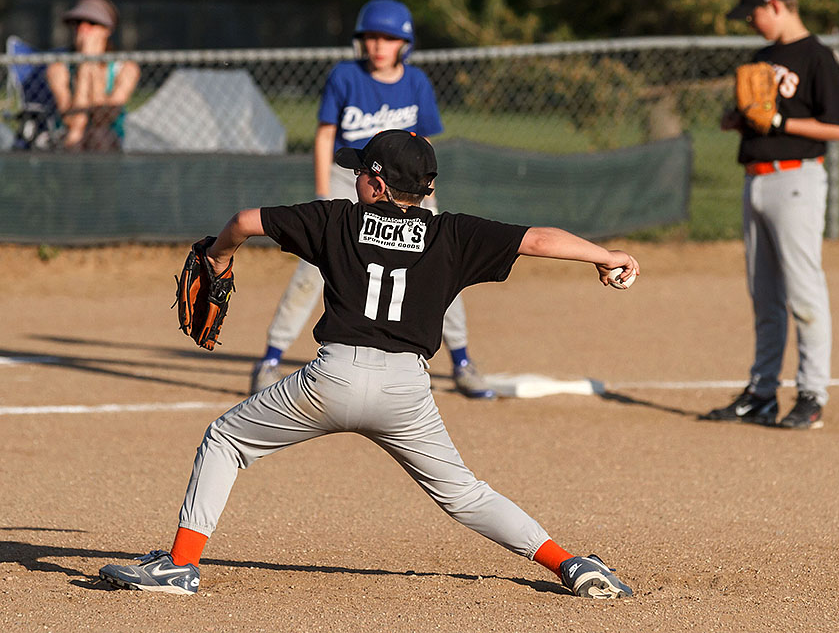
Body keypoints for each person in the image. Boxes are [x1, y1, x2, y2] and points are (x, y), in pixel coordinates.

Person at [98, 129, 640, 599]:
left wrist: (218, 255)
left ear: (376, 186)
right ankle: (569, 565)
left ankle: (182, 566)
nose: (354, 177)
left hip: (330, 380)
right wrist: (606, 257)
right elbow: (540, 238)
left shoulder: (337, 219)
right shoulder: (452, 233)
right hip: (406, 392)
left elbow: (243, 221)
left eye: (360, 171)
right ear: (426, 189)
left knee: (225, 441)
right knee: (466, 495)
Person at [250, 0, 497, 400]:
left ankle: (463, 362)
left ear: (405, 43)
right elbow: (326, 134)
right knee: (312, 270)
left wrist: (427, 190)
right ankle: (271, 359)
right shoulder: (345, 76)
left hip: (406, 186)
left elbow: (424, 143)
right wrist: (322, 194)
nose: (378, 45)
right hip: (350, 178)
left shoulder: (416, 82)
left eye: (388, 38)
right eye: (370, 37)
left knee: (439, 263)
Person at [700, 0, 839, 429]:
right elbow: (755, 115)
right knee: (763, 294)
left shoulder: (817, 57)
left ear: (777, 5)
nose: (750, 22)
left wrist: (780, 123)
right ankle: (762, 392)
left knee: (804, 293)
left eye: (754, 13)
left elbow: (837, 127)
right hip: (756, 179)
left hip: (797, 180)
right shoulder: (762, 56)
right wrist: (737, 118)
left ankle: (811, 393)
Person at [45, 0, 140, 151]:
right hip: (68, 137)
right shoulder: (58, 67)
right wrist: (84, 65)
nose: (83, 29)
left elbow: (103, 118)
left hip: (107, 138)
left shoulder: (126, 68)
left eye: (92, 23)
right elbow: (74, 121)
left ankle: (99, 176)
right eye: (78, 23)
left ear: (107, 30)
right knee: (75, 135)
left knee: (99, 134)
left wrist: (92, 63)